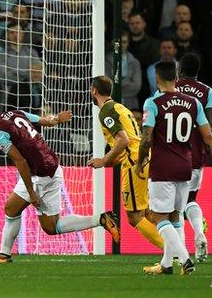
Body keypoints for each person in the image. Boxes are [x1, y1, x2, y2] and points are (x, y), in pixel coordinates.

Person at [0, 95, 120, 263]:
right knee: (52, 227)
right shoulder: (16, 113)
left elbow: (20, 161)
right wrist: (57, 119)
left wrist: (31, 192)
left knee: (11, 209)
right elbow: (43, 121)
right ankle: (101, 219)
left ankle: (4, 255)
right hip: (53, 166)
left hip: (39, 175)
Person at [136, 61, 212, 275]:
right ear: (175, 77)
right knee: (175, 216)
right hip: (185, 167)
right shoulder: (193, 103)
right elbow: (207, 135)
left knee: (159, 217)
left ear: (157, 78)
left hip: (162, 168)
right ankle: (167, 264)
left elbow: (146, 138)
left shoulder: (153, 103)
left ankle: (185, 259)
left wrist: (141, 160)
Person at [88, 76, 164, 251]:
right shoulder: (120, 107)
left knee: (134, 217)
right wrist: (111, 162)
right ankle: (180, 231)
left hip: (133, 162)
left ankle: (173, 252)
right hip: (142, 157)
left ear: (94, 90)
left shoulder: (106, 110)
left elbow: (123, 141)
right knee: (147, 213)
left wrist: (104, 160)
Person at [174, 53, 211, 262]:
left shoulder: (170, 87)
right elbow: (209, 124)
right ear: (198, 71)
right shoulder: (207, 91)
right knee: (191, 199)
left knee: (175, 205)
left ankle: (181, 253)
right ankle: (199, 233)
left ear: (180, 69)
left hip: (171, 153)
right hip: (196, 154)